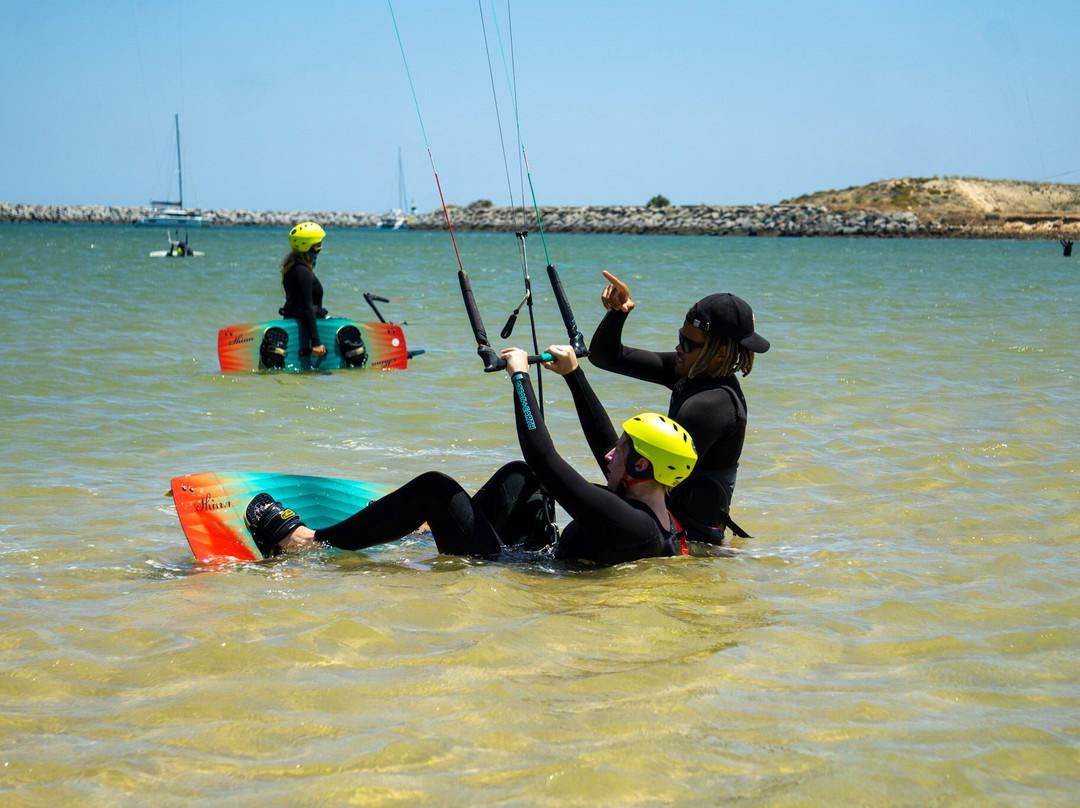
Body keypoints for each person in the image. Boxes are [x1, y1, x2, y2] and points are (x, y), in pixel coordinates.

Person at [242, 345, 698, 565]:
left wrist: (519, 377)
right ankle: (422, 532)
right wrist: (574, 375)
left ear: (640, 465)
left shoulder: (628, 524)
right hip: (537, 550)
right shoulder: (656, 506)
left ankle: (308, 543)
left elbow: (545, 456)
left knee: (436, 489)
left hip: (508, 569)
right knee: (522, 477)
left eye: (623, 448)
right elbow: (597, 447)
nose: (611, 452)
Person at [587, 271, 769, 545]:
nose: (677, 347)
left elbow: (639, 479)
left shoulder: (710, 406)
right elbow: (606, 357)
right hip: (665, 527)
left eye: (687, 343)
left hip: (687, 543)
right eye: (680, 337)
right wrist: (618, 313)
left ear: (718, 353)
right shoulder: (694, 372)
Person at [280, 221, 329, 358]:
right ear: (309, 247)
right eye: (318, 245)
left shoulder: (294, 268)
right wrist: (316, 343)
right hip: (303, 329)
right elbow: (307, 308)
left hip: (298, 324)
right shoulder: (302, 272)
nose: (320, 248)